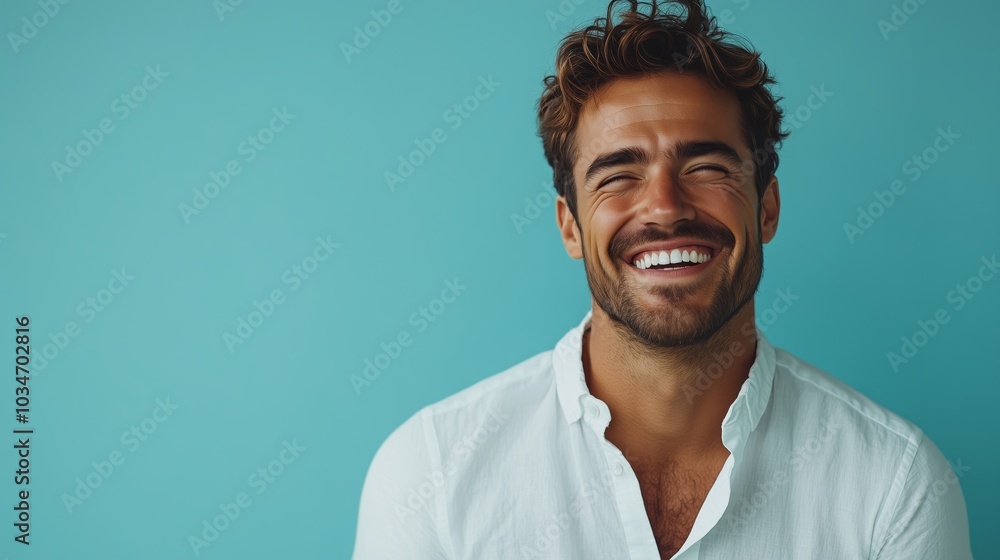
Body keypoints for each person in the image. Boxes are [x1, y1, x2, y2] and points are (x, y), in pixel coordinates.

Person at [352, 1, 973, 558]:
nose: (666, 208)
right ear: (570, 227)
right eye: (618, 175)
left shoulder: (896, 486)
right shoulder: (428, 476)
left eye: (706, 166)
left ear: (767, 208)